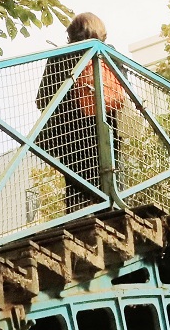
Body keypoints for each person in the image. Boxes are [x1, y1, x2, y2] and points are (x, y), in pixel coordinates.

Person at [35, 12, 125, 212]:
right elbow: (124, 91)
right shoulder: (110, 54)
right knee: (111, 177)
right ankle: (114, 211)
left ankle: (79, 217)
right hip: (107, 131)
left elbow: (43, 98)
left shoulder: (61, 56)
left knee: (77, 189)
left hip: (71, 136)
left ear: (71, 32)